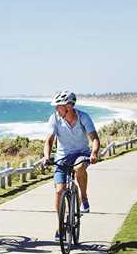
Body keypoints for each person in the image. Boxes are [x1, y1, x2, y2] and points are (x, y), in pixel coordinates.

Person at [42, 90, 100, 241]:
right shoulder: (54, 118)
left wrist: (94, 153)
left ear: (68, 106)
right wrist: (47, 157)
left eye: (58, 106)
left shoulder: (83, 117)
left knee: (79, 167)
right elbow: (48, 140)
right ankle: (60, 225)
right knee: (59, 191)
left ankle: (84, 197)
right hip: (62, 156)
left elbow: (94, 138)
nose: (56, 109)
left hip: (81, 153)